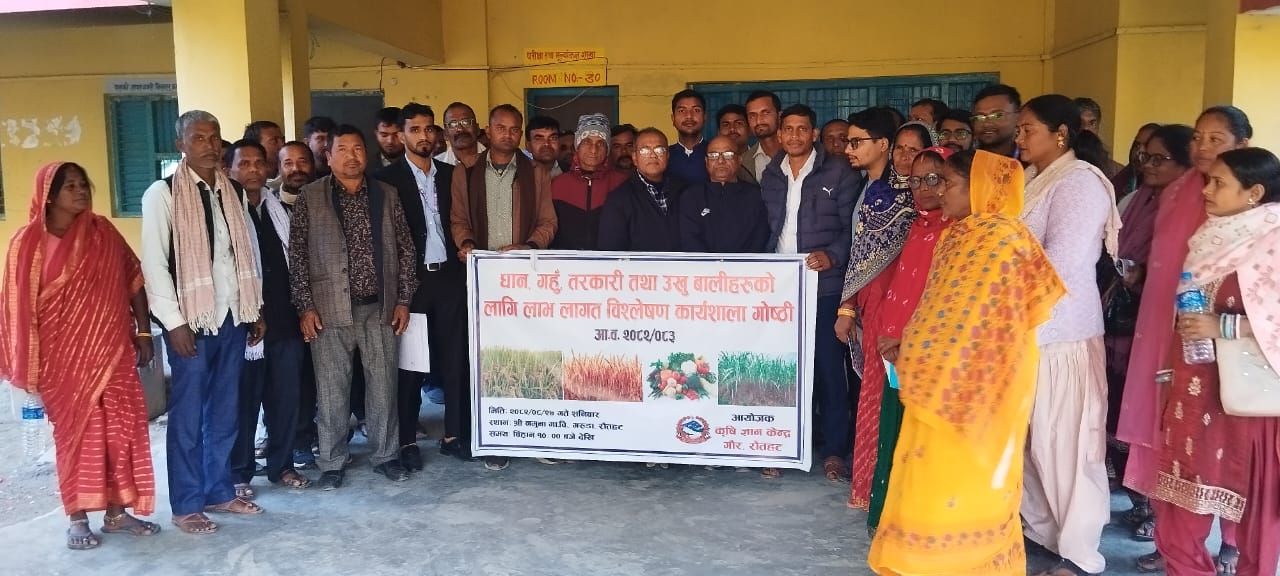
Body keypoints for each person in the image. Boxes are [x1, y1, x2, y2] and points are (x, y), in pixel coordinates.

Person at [867, 149, 1066, 576]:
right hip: (939, 373)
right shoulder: (960, 235)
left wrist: (916, 348)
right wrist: (912, 342)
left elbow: (980, 326)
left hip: (981, 385)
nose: (940, 192)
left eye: (950, 183)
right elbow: (940, 311)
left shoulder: (999, 241)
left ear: (981, 189)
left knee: (967, 479)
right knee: (931, 477)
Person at [1118, 106, 1253, 574]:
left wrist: (1226, 328)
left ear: (1242, 144)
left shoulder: (1252, 200)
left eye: (1216, 139)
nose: (1202, 147)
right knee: (1173, 434)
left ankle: (1233, 540)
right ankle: (1173, 537)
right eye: (1198, 137)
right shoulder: (1179, 190)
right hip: (1168, 327)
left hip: (1228, 341)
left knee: (1228, 444)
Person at [0, 162, 159, 549]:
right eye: (70, 186)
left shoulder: (103, 232)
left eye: (83, 184)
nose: (81, 191)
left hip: (113, 352)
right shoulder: (26, 243)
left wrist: (143, 331)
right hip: (61, 362)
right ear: (49, 195)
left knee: (121, 432)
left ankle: (117, 514)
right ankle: (77, 517)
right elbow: (16, 308)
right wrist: (25, 362)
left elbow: (133, 280)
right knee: (77, 437)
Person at [1153, 147, 1280, 576]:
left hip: (1249, 402)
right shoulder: (1211, 236)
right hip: (1195, 389)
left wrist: (1223, 327)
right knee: (1179, 508)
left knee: (1254, 515)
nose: (1206, 189)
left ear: (1254, 193)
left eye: (1219, 183)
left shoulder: (1273, 240)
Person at [140, 110, 266, 533]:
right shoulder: (162, 194)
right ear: (181, 145)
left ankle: (218, 489)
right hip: (191, 322)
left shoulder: (231, 190)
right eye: (198, 138)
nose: (210, 146)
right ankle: (187, 502)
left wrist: (255, 308)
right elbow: (154, 264)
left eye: (214, 138)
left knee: (225, 411)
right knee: (189, 416)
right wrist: (174, 323)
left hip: (232, 315)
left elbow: (244, 254)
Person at [1012, 95, 1121, 576]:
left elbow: (1062, 262)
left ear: (1060, 134)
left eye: (1028, 129)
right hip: (1024, 329)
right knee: (1032, 439)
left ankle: (1080, 552)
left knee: (1067, 442)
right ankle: (1043, 530)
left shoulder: (1079, 181)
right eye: (1019, 129)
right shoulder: (1031, 179)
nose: (1019, 137)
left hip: (1063, 331)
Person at [288, 124, 418, 489]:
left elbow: (406, 250)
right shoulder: (311, 196)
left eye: (358, 148)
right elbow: (297, 256)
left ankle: (386, 455)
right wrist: (305, 306)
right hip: (328, 309)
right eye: (342, 149)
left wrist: (404, 299)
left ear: (367, 154)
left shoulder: (386, 194)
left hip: (380, 307)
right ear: (328, 157)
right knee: (332, 389)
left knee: (383, 385)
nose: (351, 156)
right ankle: (332, 461)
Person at [842, 146, 954, 537]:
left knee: (919, 434)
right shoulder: (916, 226)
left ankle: (916, 520)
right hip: (888, 344)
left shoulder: (957, 232)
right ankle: (887, 511)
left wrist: (908, 338)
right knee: (891, 427)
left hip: (926, 349)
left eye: (933, 179)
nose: (923, 188)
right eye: (915, 180)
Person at [1100, 123, 1193, 544]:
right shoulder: (1136, 200)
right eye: (1143, 154)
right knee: (1119, 414)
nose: (1146, 163)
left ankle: (1159, 510)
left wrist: (1144, 274)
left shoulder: (1191, 210)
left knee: (1158, 419)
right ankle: (1139, 500)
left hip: (1164, 326)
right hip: (1122, 322)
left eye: (1158, 158)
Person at [451, 105, 556, 471]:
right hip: (481, 283)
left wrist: (528, 247)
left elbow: (548, 222)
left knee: (526, 355)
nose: (507, 134)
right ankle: (495, 437)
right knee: (486, 360)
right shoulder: (465, 172)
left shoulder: (537, 173)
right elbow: (458, 218)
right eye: (501, 128)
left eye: (514, 129)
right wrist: (466, 244)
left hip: (522, 281)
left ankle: (532, 433)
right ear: (488, 130)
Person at [761, 104, 859, 480]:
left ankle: (833, 451)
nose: (795, 136)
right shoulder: (772, 174)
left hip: (824, 286)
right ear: (780, 134)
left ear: (814, 134)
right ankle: (782, 445)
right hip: (781, 289)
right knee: (783, 370)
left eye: (803, 129)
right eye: (788, 129)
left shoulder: (839, 171)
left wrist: (832, 256)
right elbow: (769, 228)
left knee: (829, 370)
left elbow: (853, 228)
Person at [375, 103, 470, 468]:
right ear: (401, 136)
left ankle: (454, 435)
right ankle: (406, 441)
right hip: (410, 283)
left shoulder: (452, 174)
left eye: (429, 129)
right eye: (415, 129)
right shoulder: (385, 180)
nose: (424, 135)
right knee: (411, 365)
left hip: (449, 277)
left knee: (455, 359)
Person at [225, 141, 311, 493]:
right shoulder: (226, 213)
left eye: (259, 163)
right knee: (244, 402)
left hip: (285, 319)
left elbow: (297, 262)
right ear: (229, 170)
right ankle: (239, 472)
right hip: (244, 324)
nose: (253, 170)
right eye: (244, 163)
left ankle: (282, 465)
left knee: (286, 399)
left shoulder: (278, 209)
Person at [599, 127, 686, 252]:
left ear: (667, 155)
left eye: (659, 149)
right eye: (645, 150)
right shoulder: (618, 199)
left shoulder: (685, 191)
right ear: (635, 157)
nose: (652, 155)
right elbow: (611, 251)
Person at [550, 113, 628, 250]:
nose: (593, 150)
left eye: (601, 143)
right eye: (586, 142)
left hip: (612, 262)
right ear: (577, 146)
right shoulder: (557, 184)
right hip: (566, 262)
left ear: (607, 149)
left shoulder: (623, 184)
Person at [679, 134, 768, 253]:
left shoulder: (756, 196)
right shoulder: (691, 197)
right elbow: (690, 240)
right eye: (713, 156)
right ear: (706, 162)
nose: (721, 161)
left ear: (739, 160)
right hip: (704, 264)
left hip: (745, 264)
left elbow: (759, 240)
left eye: (728, 154)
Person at [1112, 123, 1162, 205]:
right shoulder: (1123, 178)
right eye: (1137, 145)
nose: (1139, 151)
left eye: (1146, 145)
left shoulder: (1162, 185)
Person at [668, 89, 709, 183]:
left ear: (704, 117)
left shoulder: (716, 155)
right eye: (682, 111)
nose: (689, 116)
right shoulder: (663, 156)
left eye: (696, 110)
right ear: (673, 119)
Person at [971, 84, 1021, 159]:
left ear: (1018, 117)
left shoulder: (1032, 160)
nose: (987, 124)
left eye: (997, 116)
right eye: (980, 117)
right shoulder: (966, 161)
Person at [744, 90, 783, 184]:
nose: (759, 121)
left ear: (780, 116)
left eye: (765, 113)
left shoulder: (799, 151)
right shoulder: (744, 162)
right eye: (752, 116)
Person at [436, 102, 486, 168]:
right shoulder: (435, 166)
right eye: (453, 124)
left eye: (466, 122)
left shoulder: (495, 159)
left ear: (477, 129)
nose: (460, 129)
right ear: (445, 134)